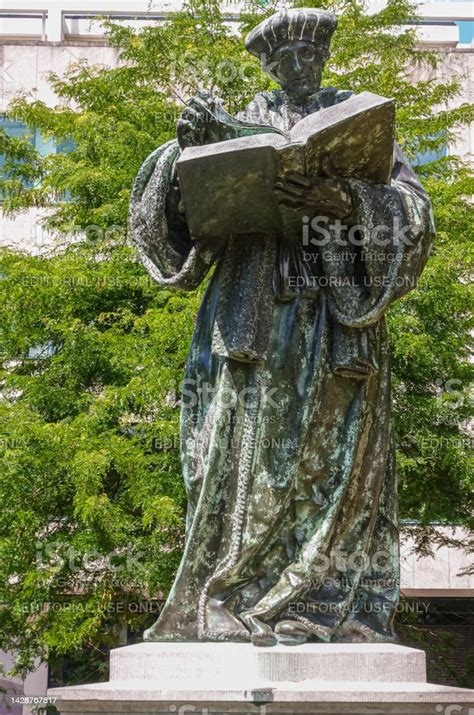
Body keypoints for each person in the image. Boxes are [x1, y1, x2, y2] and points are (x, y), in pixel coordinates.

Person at [129, 7, 435, 646]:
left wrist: (346, 201)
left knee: (334, 460)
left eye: (308, 56)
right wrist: (181, 155)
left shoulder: (356, 128)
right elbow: (166, 227)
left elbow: (413, 217)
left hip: (334, 318)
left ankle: (321, 601)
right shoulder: (230, 126)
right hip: (252, 318)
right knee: (240, 456)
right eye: (283, 59)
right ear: (264, 64)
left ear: (322, 57)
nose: (298, 68)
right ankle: (234, 595)